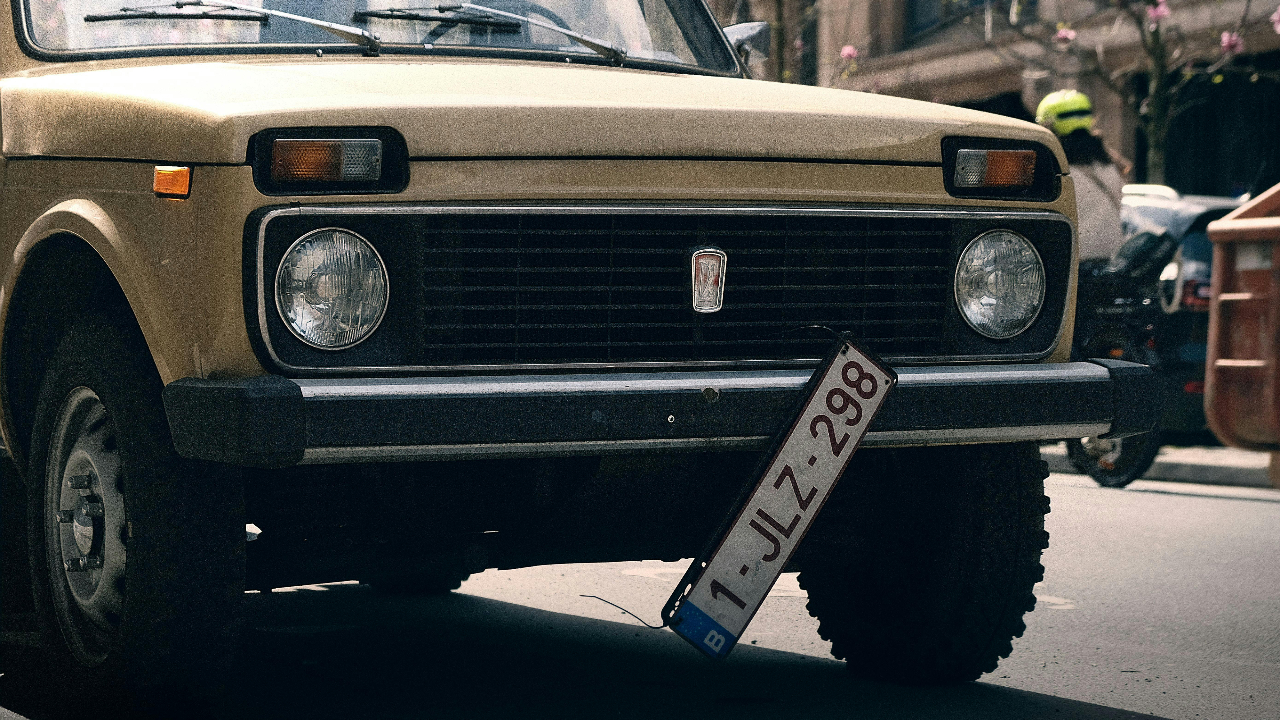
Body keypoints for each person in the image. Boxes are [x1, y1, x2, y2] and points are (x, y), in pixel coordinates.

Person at [1036, 89, 1130, 261]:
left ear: (1048, 125)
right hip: (1111, 260)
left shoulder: (1051, 169)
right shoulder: (1110, 164)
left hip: (1072, 262)